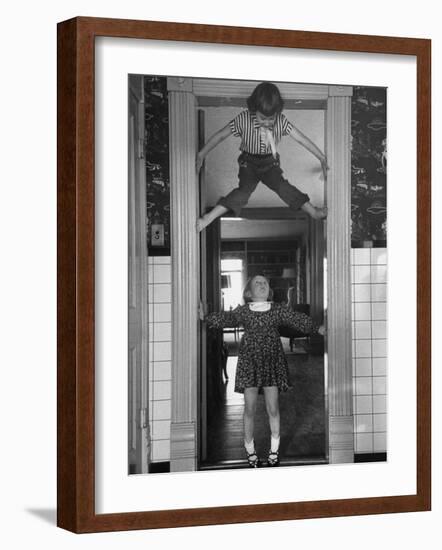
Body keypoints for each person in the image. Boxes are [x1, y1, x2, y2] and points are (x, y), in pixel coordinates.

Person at [202, 275, 323, 468]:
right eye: (257, 283)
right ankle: (250, 450)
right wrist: (206, 316)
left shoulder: (277, 309)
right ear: (248, 292)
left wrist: (317, 328)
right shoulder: (243, 311)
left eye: (265, 282)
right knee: (249, 409)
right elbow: (227, 318)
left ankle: (274, 450)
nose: (262, 284)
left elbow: (297, 319)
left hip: (271, 362)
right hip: (250, 362)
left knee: (272, 408)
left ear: (269, 290)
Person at [196, 81, 328, 232]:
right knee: (242, 194)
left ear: (277, 113)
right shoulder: (244, 119)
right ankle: (208, 218)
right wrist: (202, 154)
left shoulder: (281, 121)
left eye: (270, 119)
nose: (267, 123)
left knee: (283, 187)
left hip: (270, 165)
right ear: (254, 110)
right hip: (248, 164)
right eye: (262, 118)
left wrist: (321, 157)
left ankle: (314, 212)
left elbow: (301, 139)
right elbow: (220, 136)